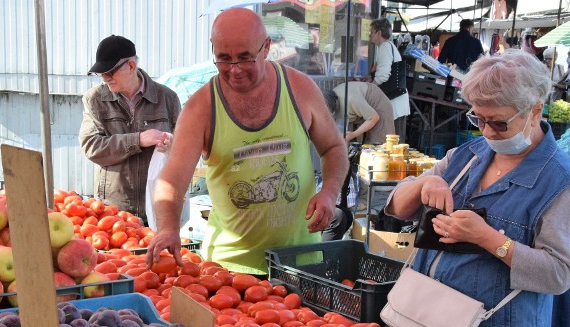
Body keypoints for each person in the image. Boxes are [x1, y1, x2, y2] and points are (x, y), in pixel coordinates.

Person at [385, 49, 570, 327]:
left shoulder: (560, 181)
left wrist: (489, 239)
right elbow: (396, 208)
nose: (486, 131)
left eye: (499, 122)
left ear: (535, 111)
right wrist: (426, 182)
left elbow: (558, 274)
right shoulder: (466, 156)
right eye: (477, 119)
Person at [145, 8, 348, 275]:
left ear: (266, 48)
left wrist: (330, 193)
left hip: (300, 260)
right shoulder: (200, 108)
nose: (235, 70)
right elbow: (172, 179)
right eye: (224, 59)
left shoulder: (301, 90)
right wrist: (169, 228)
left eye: (244, 58)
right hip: (227, 270)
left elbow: (334, 148)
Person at [79, 35, 182, 221]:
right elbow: (91, 146)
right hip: (113, 210)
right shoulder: (94, 99)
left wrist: (173, 145)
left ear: (131, 66)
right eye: (100, 73)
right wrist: (138, 140)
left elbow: (186, 147)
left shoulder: (168, 98)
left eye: (109, 72)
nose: (104, 78)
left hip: (157, 203)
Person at [369, 18, 410, 139]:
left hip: (394, 104)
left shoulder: (385, 46)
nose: (370, 34)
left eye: (372, 31)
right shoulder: (389, 46)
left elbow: (383, 75)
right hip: (396, 102)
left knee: (392, 142)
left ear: (379, 32)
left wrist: (371, 87)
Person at [326, 82, 395, 145]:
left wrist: (354, 134)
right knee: (349, 144)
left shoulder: (351, 99)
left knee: (377, 145)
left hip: (377, 104)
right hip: (357, 110)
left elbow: (374, 117)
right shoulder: (329, 103)